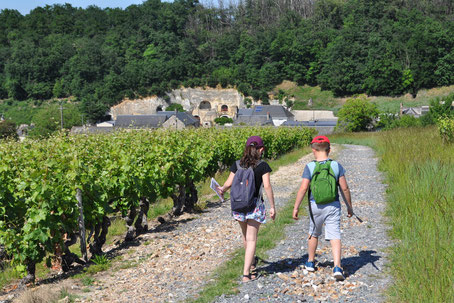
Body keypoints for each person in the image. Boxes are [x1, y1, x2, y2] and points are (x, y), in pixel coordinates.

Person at [292, 135, 353, 281]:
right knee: (335, 234)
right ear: (329, 149)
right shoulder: (336, 165)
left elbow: (303, 188)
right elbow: (344, 188)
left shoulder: (310, 166)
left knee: (313, 232)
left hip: (315, 205)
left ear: (313, 150)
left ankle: (310, 262)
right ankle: (337, 266)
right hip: (333, 205)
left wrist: (296, 207)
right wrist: (349, 207)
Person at [218, 136, 276, 282]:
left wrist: (221, 189)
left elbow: (228, 183)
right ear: (261, 149)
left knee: (245, 237)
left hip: (238, 206)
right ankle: (246, 273)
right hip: (254, 206)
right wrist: (272, 206)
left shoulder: (237, 164)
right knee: (252, 239)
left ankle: (251, 267)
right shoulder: (263, 166)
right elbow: (267, 186)